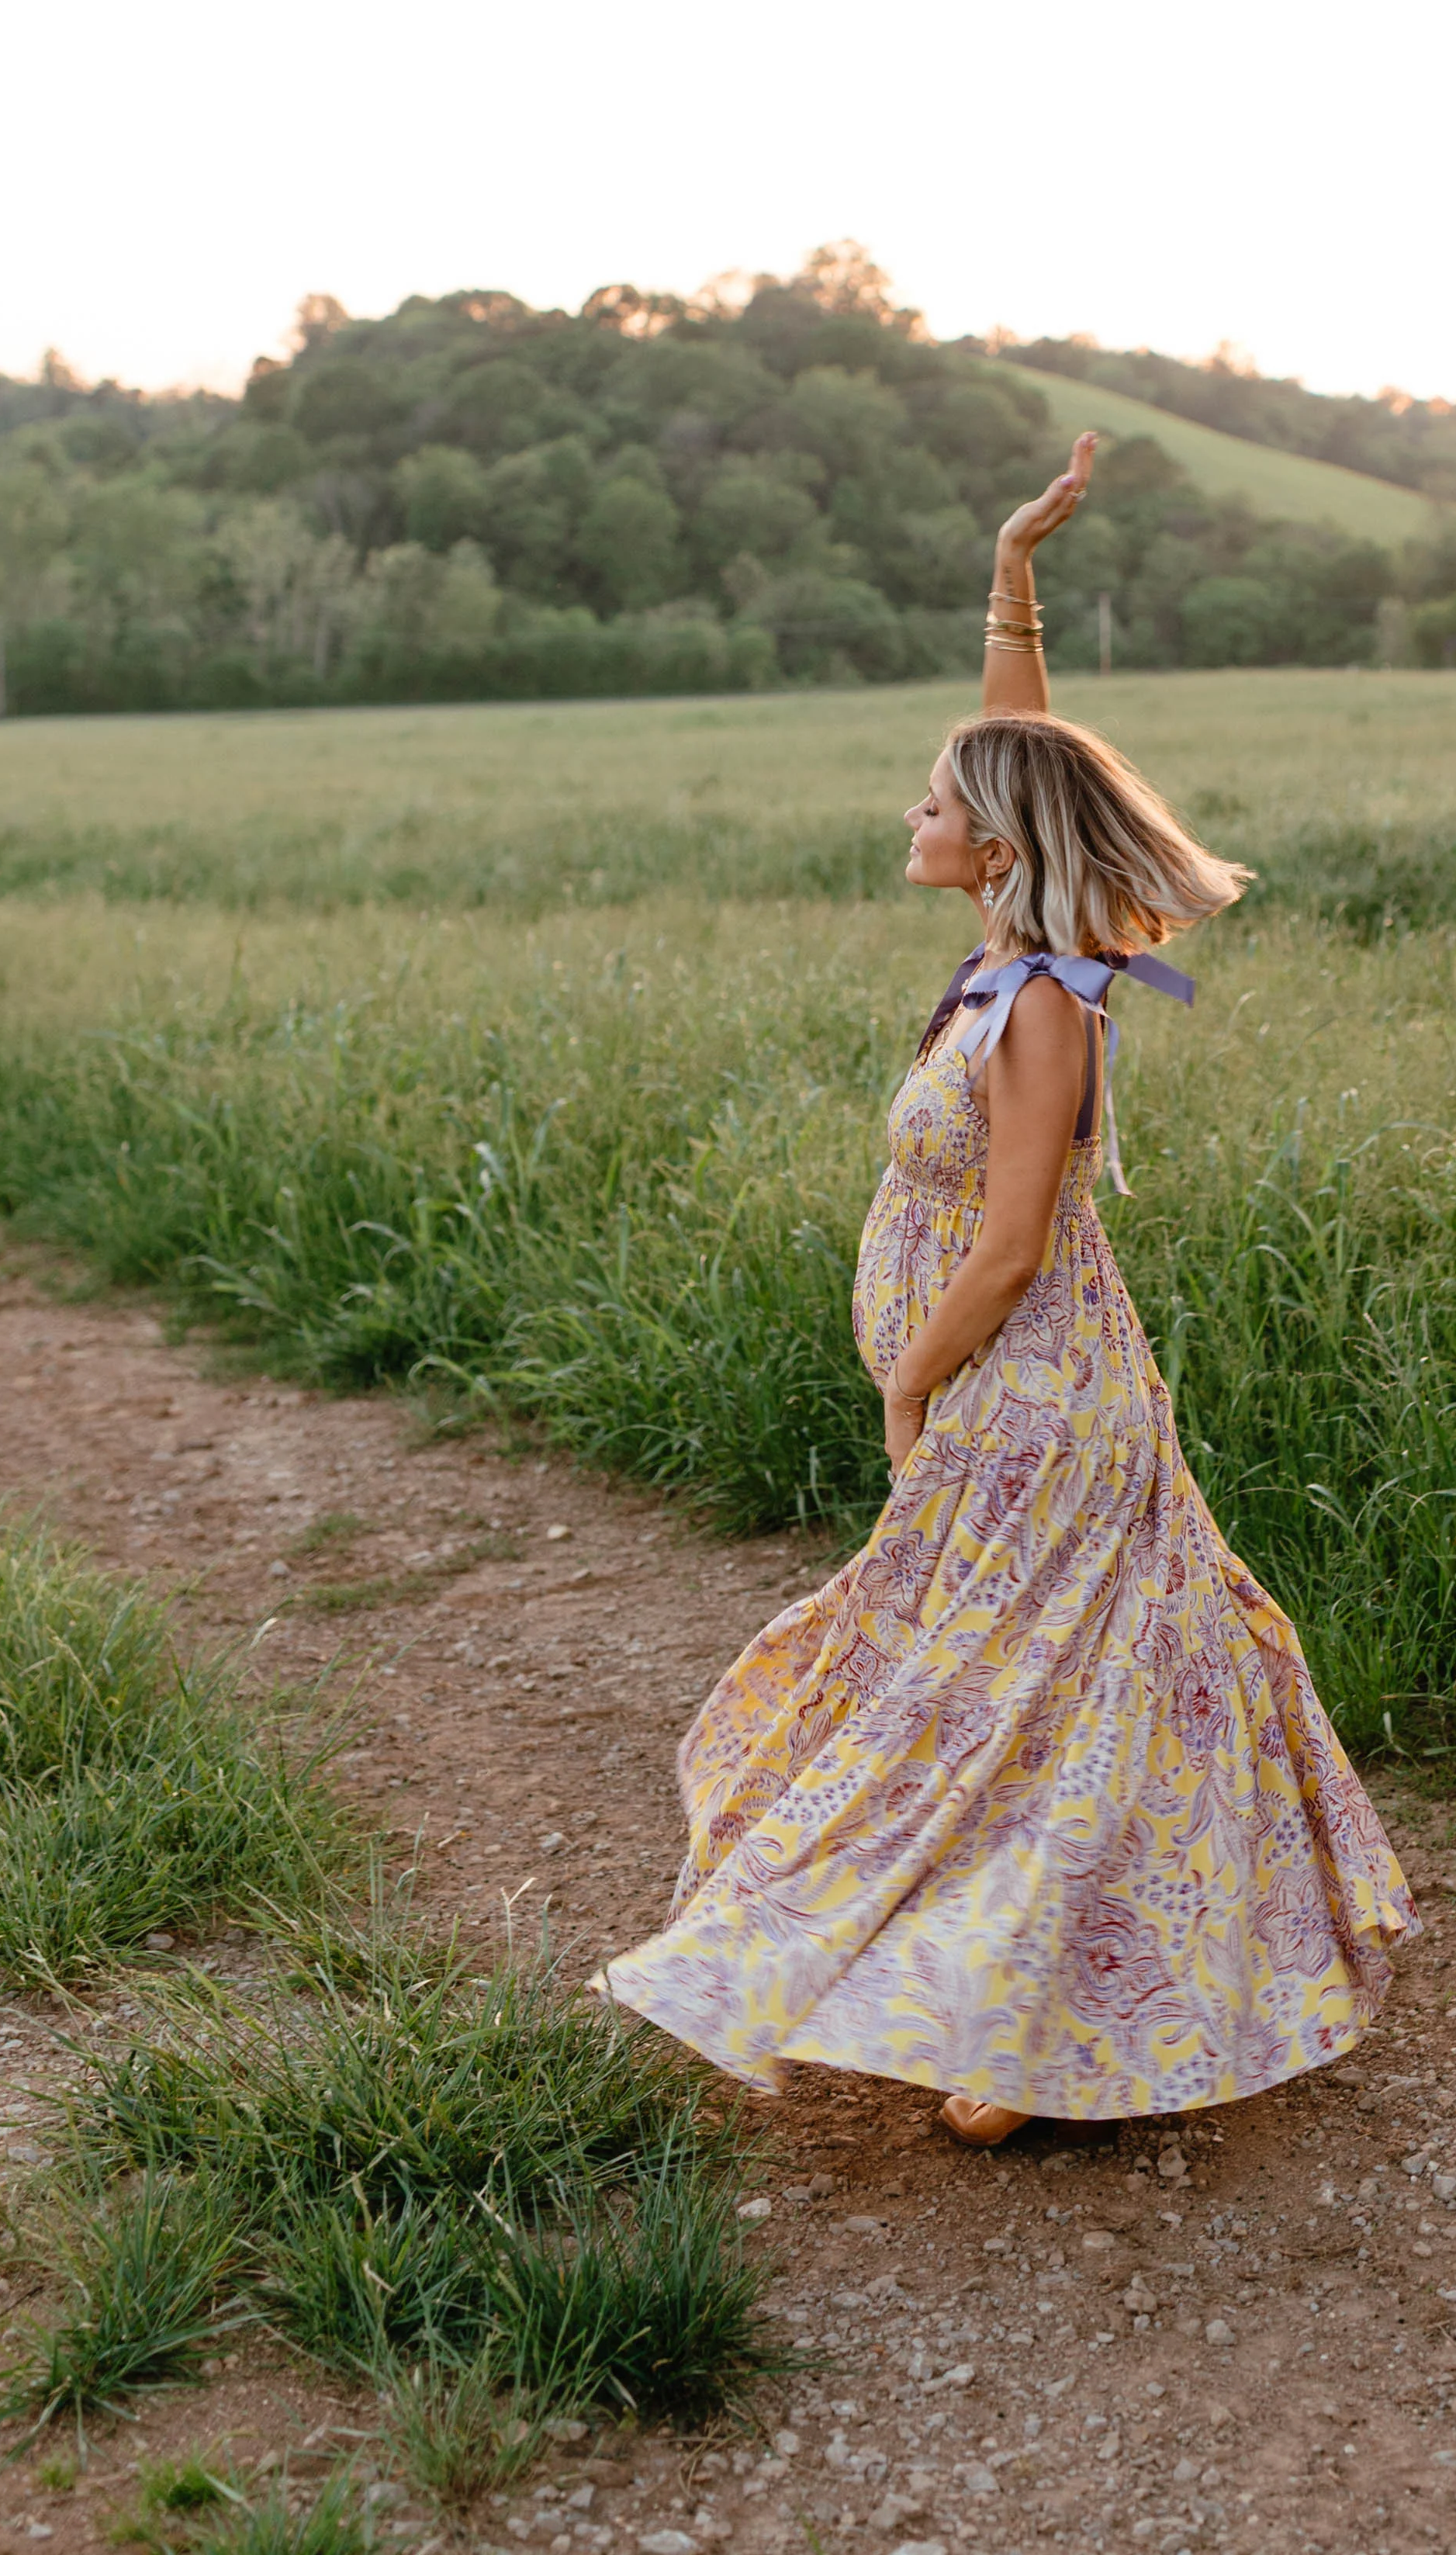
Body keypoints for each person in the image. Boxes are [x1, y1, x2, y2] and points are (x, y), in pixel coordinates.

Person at [600, 434, 1410, 2141]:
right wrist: (1010, 573)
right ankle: (1010, 1998)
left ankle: (1027, 2012)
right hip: (1008, 1390)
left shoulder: (1049, 998)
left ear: (988, 843)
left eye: (930, 801)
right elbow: (1017, 748)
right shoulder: (995, 960)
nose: (911, 812)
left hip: (1034, 1395)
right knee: (1003, 1686)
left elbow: (1020, 1235)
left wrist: (910, 1377)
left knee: (998, 1691)